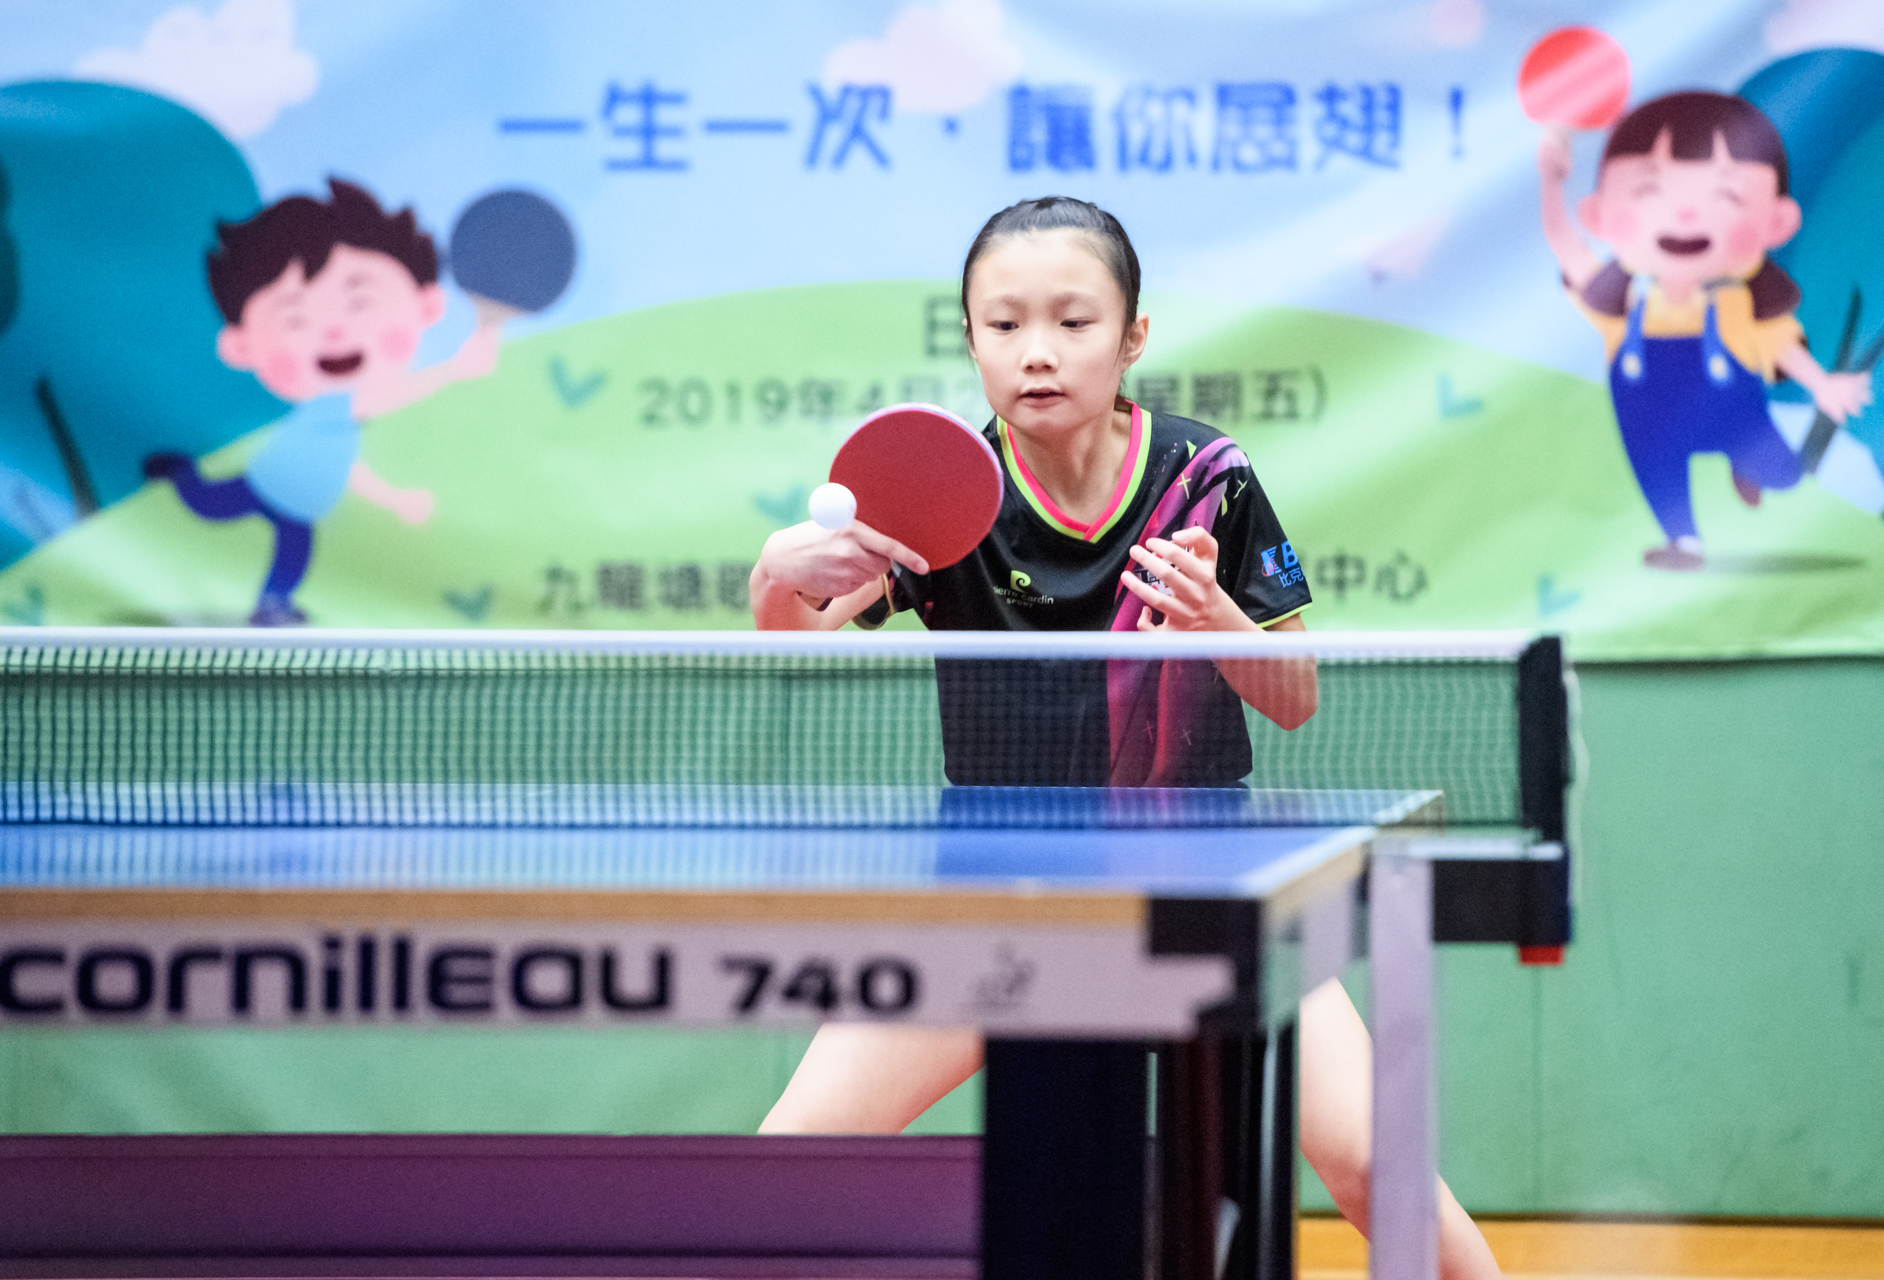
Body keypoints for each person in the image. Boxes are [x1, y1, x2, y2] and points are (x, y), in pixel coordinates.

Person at [748, 195, 1501, 1279]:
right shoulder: (943, 496)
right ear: (970, 339)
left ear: (1133, 335)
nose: (1037, 352)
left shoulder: (1207, 477)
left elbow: (1295, 697)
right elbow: (795, 642)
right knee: (789, 1158)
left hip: (1207, 889)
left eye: (1073, 321)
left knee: (1374, 1159)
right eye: (1004, 324)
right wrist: (776, 576)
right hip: (998, 895)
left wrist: (1217, 623)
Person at [1538, 91, 1872, 570]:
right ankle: (1684, 542)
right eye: (1649, 192)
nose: (1686, 215)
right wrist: (1551, 180)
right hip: (1652, 421)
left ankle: (1747, 468)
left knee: (1783, 476)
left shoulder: (1738, 299)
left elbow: (1777, 343)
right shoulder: (1622, 303)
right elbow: (1565, 247)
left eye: (1726, 196)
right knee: (1659, 471)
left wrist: (1822, 384)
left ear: (1777, 222)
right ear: (1598, 216)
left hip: (1735, 417)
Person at [145, 179, 501, 625]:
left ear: (425, 306)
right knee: (208, 505)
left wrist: (394, 498)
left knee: (289, 551)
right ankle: (181, 473)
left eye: (360, 302)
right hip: (273, 484)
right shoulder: (333, 406)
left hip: (301, 500)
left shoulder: (341, 425)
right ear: (240, 346)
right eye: (295, 319)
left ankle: (270, 607)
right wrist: (452, 371)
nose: (334, 332)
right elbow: (385, 399)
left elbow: (349, 467)